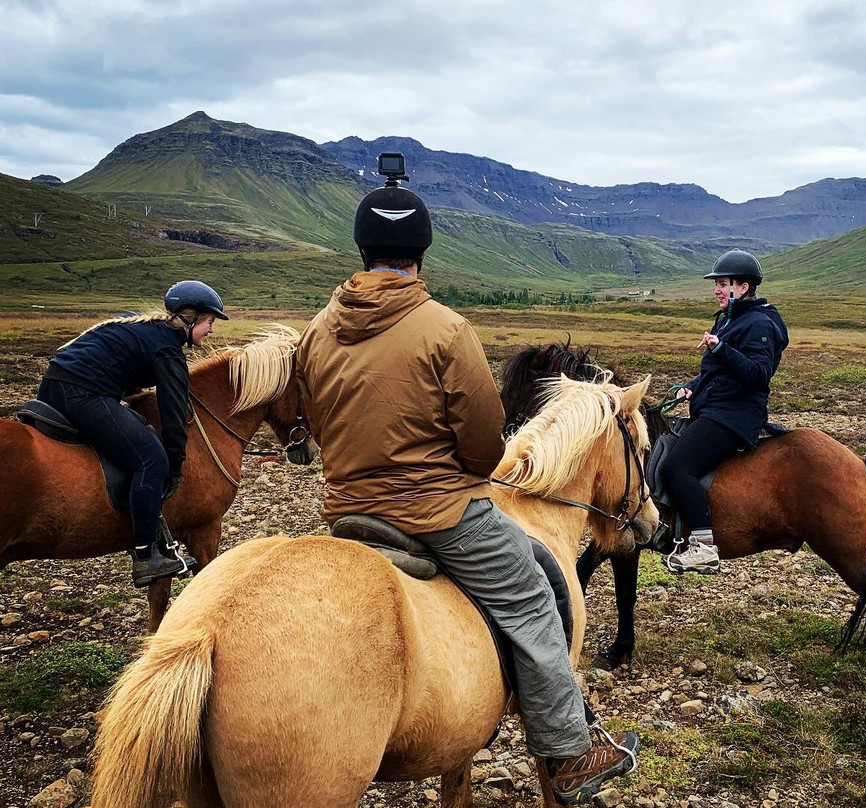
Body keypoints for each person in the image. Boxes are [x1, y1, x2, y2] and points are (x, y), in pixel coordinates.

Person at [295, 178, 639, 805]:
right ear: (421, 252)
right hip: (437, 511)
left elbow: (317, 422)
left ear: (361, 247)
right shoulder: (445, 329)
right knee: (536, 593)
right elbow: (484, 445)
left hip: (347, 510)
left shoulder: (317, 332)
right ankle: (568, 751)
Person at [35, 281, 227, 587]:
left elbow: (114, 358)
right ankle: (146, 555)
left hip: (53, 385)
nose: (211, 331)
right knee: (151, 460)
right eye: (209, 322)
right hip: (83, 394)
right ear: (189, 319)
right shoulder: (167, 350)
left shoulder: (142, 324)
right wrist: (174, 464)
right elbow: (173, 415)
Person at [662, 249, 789, 574]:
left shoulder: (759, 323)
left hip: (733, 417)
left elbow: (758, 374)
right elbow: (718, 373)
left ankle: (703, 548)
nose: (717, 289)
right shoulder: (732, 319)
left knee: (677, 468)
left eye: (723, 283)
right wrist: (691, 386)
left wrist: (721, 347)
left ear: (742, 287)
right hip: (717, 409)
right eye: (716, 284)